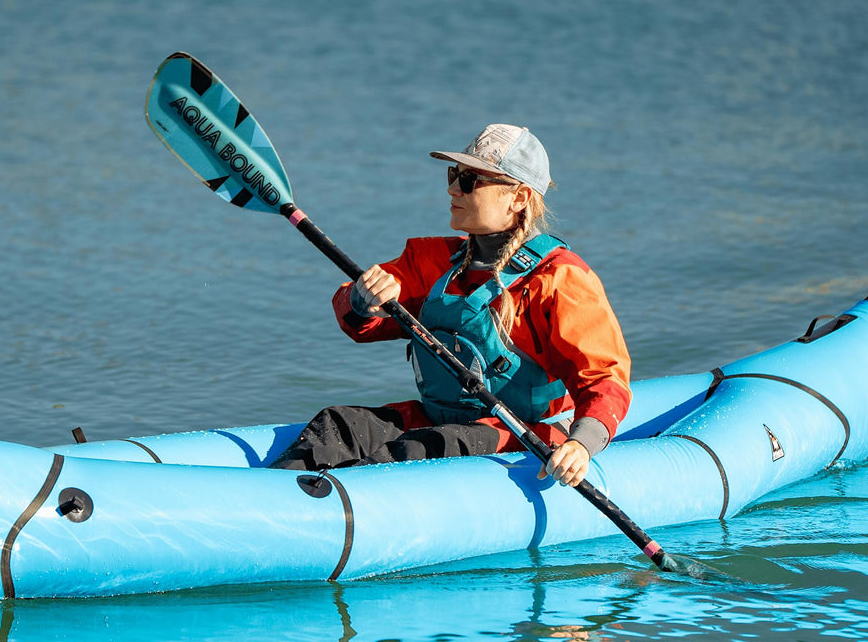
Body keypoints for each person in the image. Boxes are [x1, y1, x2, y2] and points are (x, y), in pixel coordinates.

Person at [269, 124, 630, 488]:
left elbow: (604, 379)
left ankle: (337, 505)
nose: (452, 188)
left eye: (471, 180)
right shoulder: (431, 260)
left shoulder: (560, 278)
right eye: (454, 174)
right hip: (438, 417)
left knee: (419, 448)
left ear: (518, 197)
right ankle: (276, 495)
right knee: (338, 425)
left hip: (521, 433)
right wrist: (363, 299)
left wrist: (581, 445)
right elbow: (359, 324)